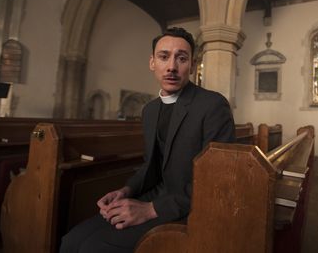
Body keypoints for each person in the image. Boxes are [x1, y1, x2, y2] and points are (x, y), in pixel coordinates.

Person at [60, 27, 236, 252]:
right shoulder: (150, 110)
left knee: (94, 247)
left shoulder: (212, 105)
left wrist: (151, 209)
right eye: (164, 57)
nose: (172, 66)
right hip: (154, 196)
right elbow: (150, 165)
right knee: (72, 241)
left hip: (190, 207)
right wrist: (126, 191)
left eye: (181, 58)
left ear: (192, 65)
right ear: (152, 62)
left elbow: (217, 182)